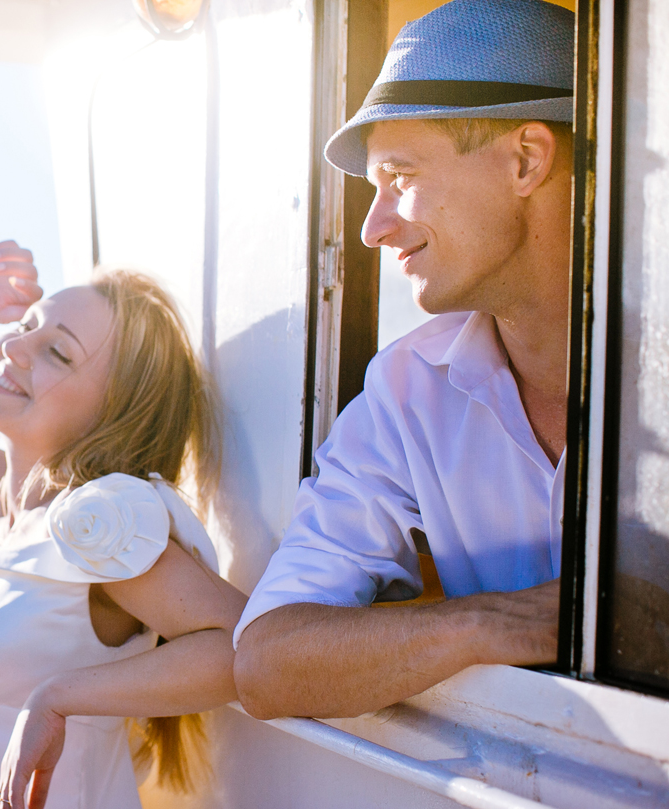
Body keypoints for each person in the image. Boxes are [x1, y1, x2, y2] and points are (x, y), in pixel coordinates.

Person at [233, 0, 574, 719]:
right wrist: (491, 623)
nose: (371, 228)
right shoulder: (407, 387)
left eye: (400, 176)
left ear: (525, 160)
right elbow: (266, 662)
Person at [0, 241, 246, 809]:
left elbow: (244, 648)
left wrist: (62, 696)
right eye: (26, 326)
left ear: (115, 412)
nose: (13, 347)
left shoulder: (103, 529)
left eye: (56, 351)